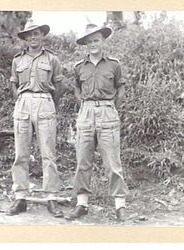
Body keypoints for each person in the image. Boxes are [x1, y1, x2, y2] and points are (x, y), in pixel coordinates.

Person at [65, 24, 129, 221]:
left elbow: (121, 89)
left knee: (112, 162)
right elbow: (76, 88)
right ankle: (82, 204)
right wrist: (85, 105)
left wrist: (110, 108)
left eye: (96, 40)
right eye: (89, 41)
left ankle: (120, 206)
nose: (93, 44)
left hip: (108, 112)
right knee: (83, 160)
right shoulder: (78, 67)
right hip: (86, 113)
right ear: (85, 44)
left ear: (103, 41)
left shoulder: (114, 65)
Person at [8, 20, 64, 218]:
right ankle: (20, 197)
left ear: (42, 36)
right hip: (23, 103)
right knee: (21, 153)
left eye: (36, 33)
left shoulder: (52, 59)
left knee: (48, 153)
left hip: (45, 102)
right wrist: (22, 99)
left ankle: (51, 198)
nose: (33, 37)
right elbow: (14, 85)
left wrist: (49, 103)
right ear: (25, 38)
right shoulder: (18, 60)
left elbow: (59, 86)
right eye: (29, 34)